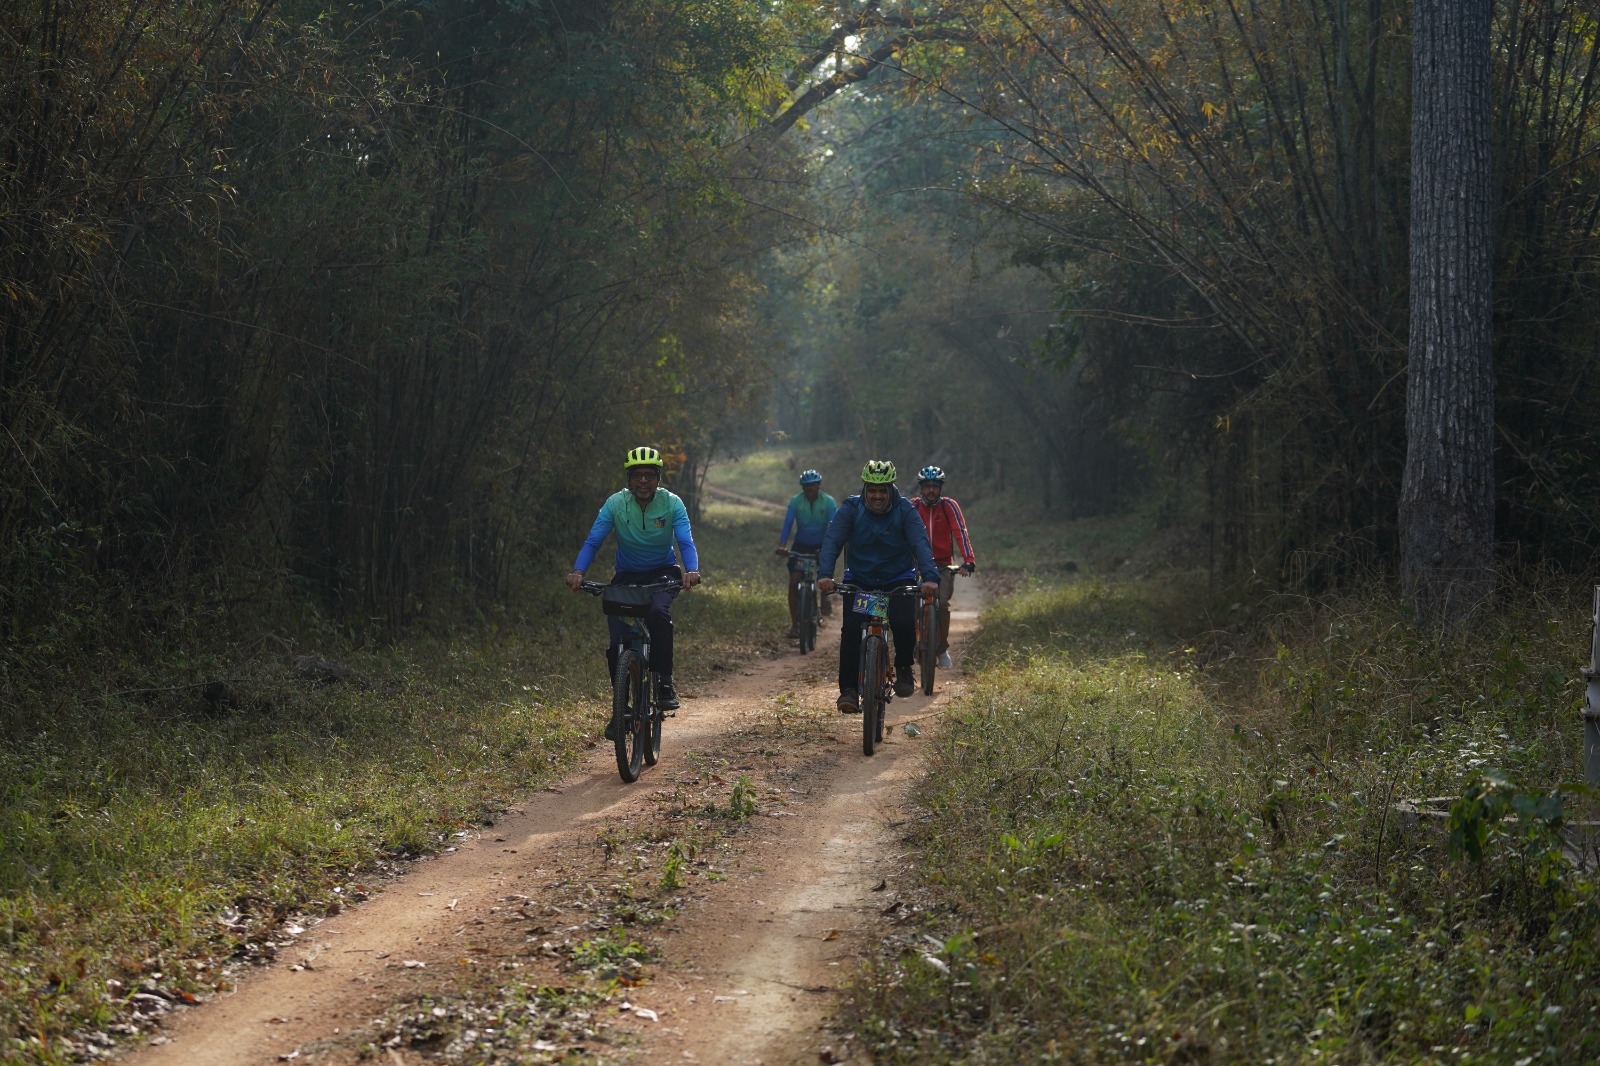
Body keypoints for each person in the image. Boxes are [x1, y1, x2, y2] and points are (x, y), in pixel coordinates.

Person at [566, 446, 702, 734]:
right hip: (626, 576)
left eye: (649, 475)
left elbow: (685, 541)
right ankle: (622, 709)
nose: (643, 481)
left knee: (657, 613)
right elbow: (594, 540)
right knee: (617, 643)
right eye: (637, 475)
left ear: (658, 478)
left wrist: (691, 570)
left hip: (663, 574)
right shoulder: (616, 504)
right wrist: (578, 572)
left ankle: (664, 681)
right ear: (629, 479)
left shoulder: (672, 503)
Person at [816, 460, 940, 713]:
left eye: (883, 490)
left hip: (898, 578)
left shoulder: (905, 510)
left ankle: (904, 667)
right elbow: (832, 541)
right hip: (859, 579)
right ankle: (848, 690)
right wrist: (825, 574)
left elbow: (920, 544)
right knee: (851, 630)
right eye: (872, 490)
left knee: (904, 623)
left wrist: (930, 577)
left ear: (891, 489)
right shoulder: (851, 508)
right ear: (864, 489)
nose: (877, 496)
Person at [912, 465, 977, 669]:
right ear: (921, 488)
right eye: (927, 486)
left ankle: (941, 649)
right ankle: (912, 645)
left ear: (941, 488)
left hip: (942, 565)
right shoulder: (912, 507)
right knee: (909, 606)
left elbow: (961, 532)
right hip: (916, 564)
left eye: (935, 486)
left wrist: (968, 560)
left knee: (941, 605)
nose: (931, 490)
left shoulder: (948, 506)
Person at [773, 468, 838, 635]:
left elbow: (834, 526)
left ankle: (824, 598)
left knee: (824, 576)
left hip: (822, 546)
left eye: (813, 485)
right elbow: (788, 523)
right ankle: (795, 625)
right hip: (800, 546)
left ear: (819, 486)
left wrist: (833, 545)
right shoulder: (796, 501)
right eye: (806, 486)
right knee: (794, 581)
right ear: (802, 487)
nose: (810, 489)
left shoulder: (829, 502)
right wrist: (782, 545)